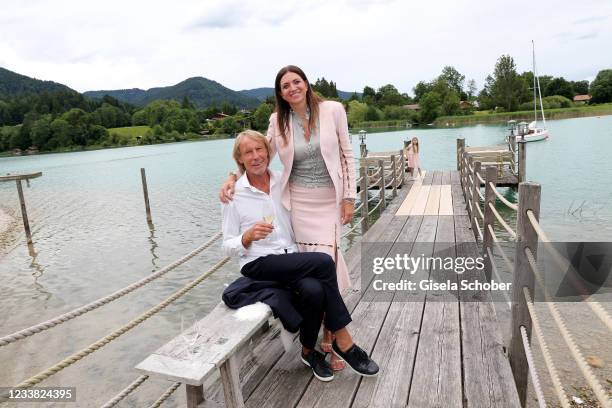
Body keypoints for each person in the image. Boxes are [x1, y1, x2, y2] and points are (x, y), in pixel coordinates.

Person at [220, 65, 356, 369]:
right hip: (299, 201)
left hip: (329, 200)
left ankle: (332, 337)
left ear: (306, 84)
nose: (292, 88)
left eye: (297, 82)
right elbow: (259, 150)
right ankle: (331, 338)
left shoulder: (333, 110)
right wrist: (232, 177)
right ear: (280, 93)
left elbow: (347, 155)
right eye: (285, 86)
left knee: (327, 264)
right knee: (320, 268)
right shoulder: (277, 120)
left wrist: (350, 197)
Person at [221, 130, 379, 382]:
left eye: (259, 149)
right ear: (239, 159)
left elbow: (321, 179)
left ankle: (308, 351)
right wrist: (247, 237)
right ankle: (344, 340)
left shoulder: (283, 181)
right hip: (258, 263)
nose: (255, 156)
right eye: (248, 152)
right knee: (323, 262)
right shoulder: (233, 195)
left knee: (314, 291)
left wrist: (346, 200)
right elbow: (227, 245)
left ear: (268, 152)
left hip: (290, 257)